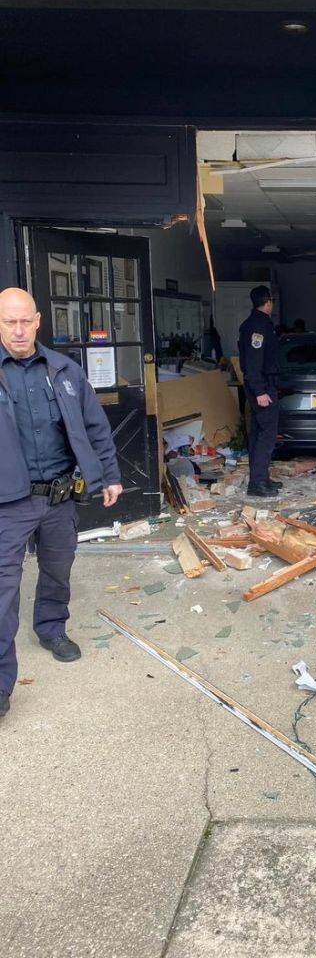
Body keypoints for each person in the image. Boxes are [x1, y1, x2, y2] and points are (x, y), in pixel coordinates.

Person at [0, 288, 123, 720]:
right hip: (7, 504)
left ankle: (51, 629)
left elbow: (96, 427)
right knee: (3, 591)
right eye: (8, 322)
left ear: (37, 322)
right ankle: (0, 684)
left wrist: (108, 475)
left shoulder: (64, 370)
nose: (17, 330)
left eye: (24, 321)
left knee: (57, 570)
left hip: (57, 497)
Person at [238, 286, 283, 499]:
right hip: (262, 387)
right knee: (267, 435)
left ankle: (261, 478)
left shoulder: (258, 323)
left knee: (258, 433)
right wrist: (260, 391)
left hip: (262, 386)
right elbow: (254, 362)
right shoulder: (257, 326)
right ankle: (257, 483)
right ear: (268, 302)